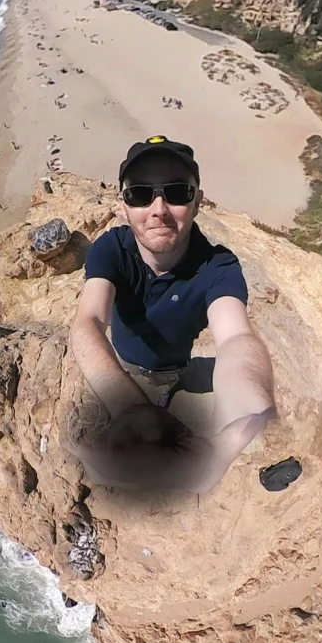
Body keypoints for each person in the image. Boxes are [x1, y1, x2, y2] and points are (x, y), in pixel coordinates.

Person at [68, 136, 276, 492]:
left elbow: (236, 338)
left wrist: (247, 419)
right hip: (126, 371)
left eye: (177, 192)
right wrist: (131, 407)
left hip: (181, 372)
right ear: (124, 206)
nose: (159, 209)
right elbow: (88, 321)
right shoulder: (112, 250)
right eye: (140, 194)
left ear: (197, 201)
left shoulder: (218, 267)